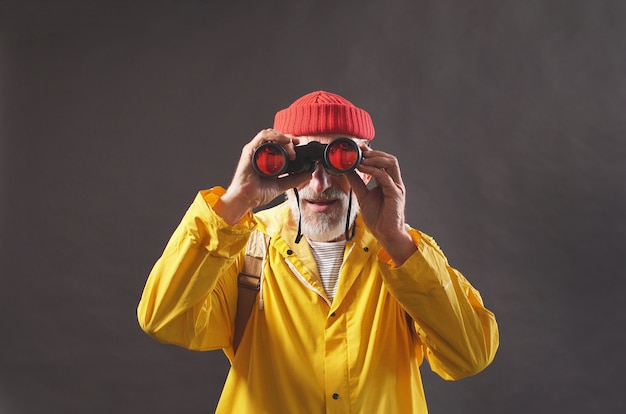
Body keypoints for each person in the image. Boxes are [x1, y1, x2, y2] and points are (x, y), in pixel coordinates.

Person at [137, 91, 499, 413]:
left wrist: (395, 239)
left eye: (339, 157)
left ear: (368, 166)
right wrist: (235, 203)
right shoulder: (241, 246)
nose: (319, 183)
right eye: (301, 162)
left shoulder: (404, 257)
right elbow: (162, 319)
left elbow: (470, 357)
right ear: (276, 162)